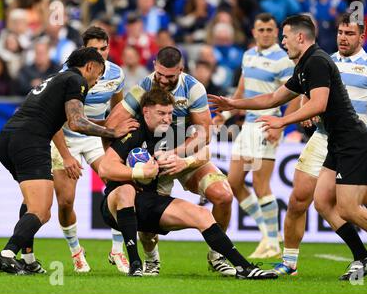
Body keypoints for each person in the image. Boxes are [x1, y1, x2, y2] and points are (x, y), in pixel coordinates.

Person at [208, 14, 367, 282]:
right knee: (320, 201)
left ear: (300, 37)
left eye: (284, 36)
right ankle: (366, 256)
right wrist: (234, 105)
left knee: (352, 209)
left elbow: (319, 104)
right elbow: (275, 97)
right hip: (335, 139)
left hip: (353, 142)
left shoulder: (319, 62)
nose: (281, 42)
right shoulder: (309, 63)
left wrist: (282, 121)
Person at [278, 13, 367, 280]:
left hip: (353, 141)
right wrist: (306, 111)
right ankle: (291, 261)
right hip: (324, 137)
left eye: (349, 34)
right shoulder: (324, 60)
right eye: (340, 33)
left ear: (361, 36)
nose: (343, 38)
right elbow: (306, 95)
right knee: (302, 199)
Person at [98, 87, 277, 279]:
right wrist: (139, 172)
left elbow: (205, 152)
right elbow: (105, 168)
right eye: (161, 113)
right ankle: (135, 264)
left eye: (169, 113)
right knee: (126, 190)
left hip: (150, 200)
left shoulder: (173, 131)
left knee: (202, 214)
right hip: (116, 207)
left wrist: (184, 160)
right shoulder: (132, 131)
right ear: (146, 111)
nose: (167, 118)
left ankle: (244, 268)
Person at [0, 47, 137, 275]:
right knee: (42, 210)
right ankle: (7, 254)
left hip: (7, 138)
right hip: (31, 141)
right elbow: (77, 122)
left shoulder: (56, 77)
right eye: (98, 74)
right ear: (90, 66)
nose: (97, 80)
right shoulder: (76, 80)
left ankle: (28, 258)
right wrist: (111, 132)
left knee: (32, 203)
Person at [105, 46, 236, 277]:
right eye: (160, 75)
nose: (163, 81)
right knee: (148, 216)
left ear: (181, 70)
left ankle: (217, 255)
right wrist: (118, 138)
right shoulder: (144, 86)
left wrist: (179, 154)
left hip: (183, 155)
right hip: (153, 159)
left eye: (170, 77)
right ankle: (151, 259)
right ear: (154, 65)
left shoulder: (193, 88)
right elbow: (112, 124)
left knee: (223, 194)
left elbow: (204, 135)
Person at [212, 13, 294, 259]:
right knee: (234, 182)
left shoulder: (283, 59)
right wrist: (226, 114)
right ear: (254, 32)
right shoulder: (248, 55)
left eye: (270, 29)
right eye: (262, 29)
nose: (266, 33)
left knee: (260, 184)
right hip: (248, 124)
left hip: (267, 124)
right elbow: (242, 91)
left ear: (277, 32)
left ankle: (271, 241)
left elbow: (296, 95)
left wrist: (280, 125)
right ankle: (269, 233)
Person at [51, 26, 131, 273]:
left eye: (104, 48)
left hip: (96, 138)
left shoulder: (116, 73)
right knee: (65, 201)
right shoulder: (68, 74)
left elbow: (117, 109)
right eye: (94, 50)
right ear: (83, 51)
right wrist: (65, 155)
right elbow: (56, 117)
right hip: (68, 138)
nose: (100, 54)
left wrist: (113, 137)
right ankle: (76, 250)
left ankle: (117, 249)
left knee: (119, 185)